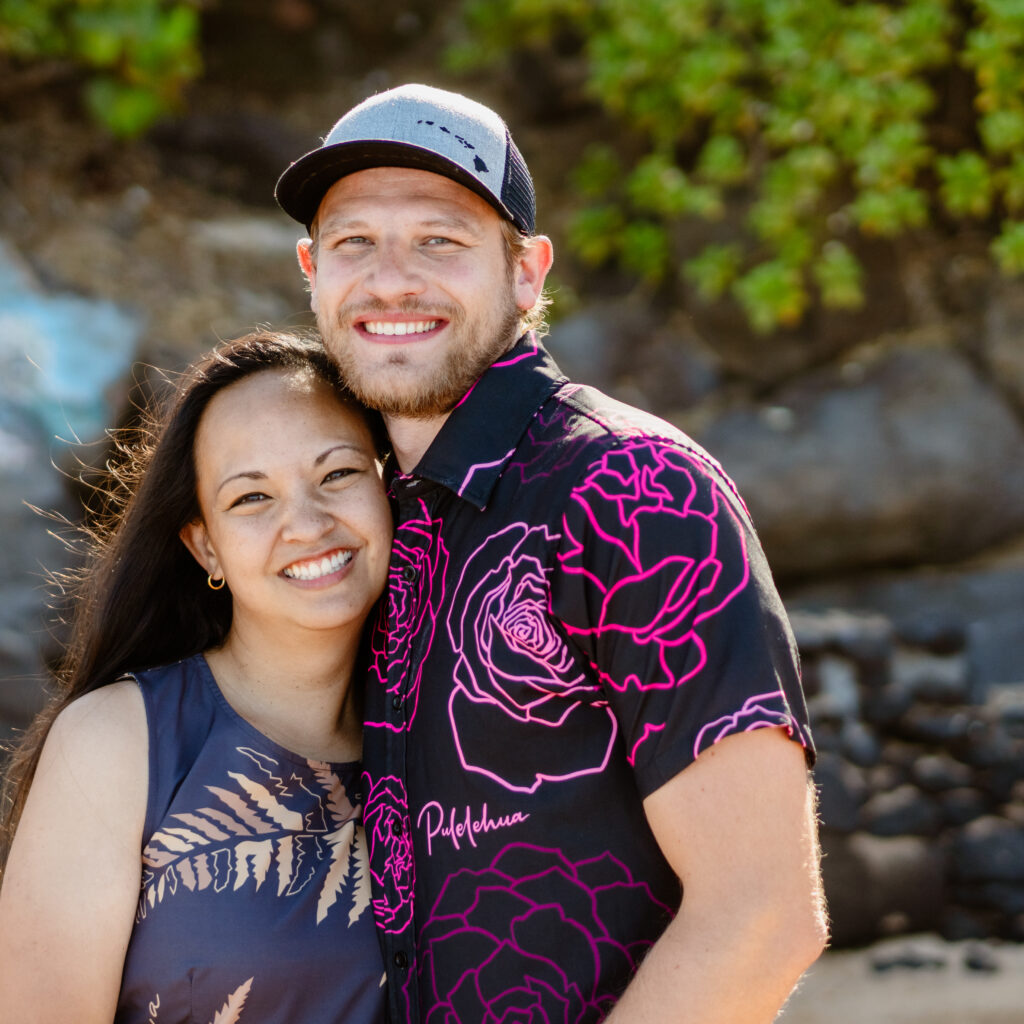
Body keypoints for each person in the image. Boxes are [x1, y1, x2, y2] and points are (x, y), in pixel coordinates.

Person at [275, 84, 828, 1023]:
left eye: (440, 240)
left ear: (528, 272)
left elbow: (765, 912)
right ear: (311, 270)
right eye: (353, 242)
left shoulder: (635, 491)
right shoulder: (360, 523)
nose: (390, 279)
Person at [0, 330, 394, 1024]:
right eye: (251, 499)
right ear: (206, 545)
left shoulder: (450, 729)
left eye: (339, 474)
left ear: (393, 486)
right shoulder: (120, 742)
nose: (306, 523)